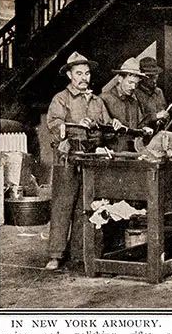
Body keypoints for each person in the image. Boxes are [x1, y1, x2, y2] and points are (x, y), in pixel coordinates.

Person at [45, 52, 121, 270]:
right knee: (62, 205)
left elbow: (106, 128)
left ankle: (80, 253)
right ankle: (55, 254)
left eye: (86, 73)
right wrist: (78, 124)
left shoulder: (97, 101)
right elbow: (54, 124)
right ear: (69, 75)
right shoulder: (61, 99)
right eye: (79, 73)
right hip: (67, 158)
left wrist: (113, 124)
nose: (83, 77)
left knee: (86, 206)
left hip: (90, 158)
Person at [99, 58, 154, 151]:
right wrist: (111, 122)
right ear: (120, 79)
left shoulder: (134, 101)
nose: (133, 87)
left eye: (136, 84)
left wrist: (144, 129)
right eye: (130, 82)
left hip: (131, 152)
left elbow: (136, 127)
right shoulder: (103, 98)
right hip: (111, 153)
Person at [134, 57, 170, 127]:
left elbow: (163, 112)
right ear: (142, 77)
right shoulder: (135, 94)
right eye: (151, 78)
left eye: (156, 77)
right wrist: (155, 116)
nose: (154, 81)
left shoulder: (159, 92)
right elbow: (137, 122)